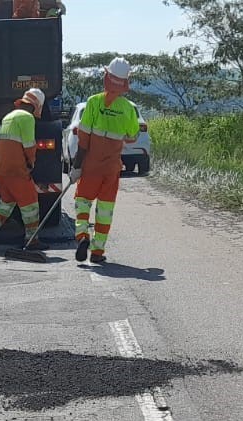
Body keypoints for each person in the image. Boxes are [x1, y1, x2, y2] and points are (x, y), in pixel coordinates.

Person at [71, 57, 140, 265]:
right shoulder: (128, 108)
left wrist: (76, 166)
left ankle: (83, 236)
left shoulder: (93, 102)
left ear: (107, 76)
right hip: (112, 168)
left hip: (91, 165)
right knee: (105, 210)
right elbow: (133, 136)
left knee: (82, 203)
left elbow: (83, 138)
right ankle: (98, 251)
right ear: (125, 82)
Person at [0, 87, 48, 251]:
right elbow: (29, 145)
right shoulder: (27, 118)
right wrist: (31, 163)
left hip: (0, 168)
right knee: (30, 203)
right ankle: (32, 240)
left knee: (7, 202)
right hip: (15, 168)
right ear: (37, 106)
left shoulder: (9, 116)